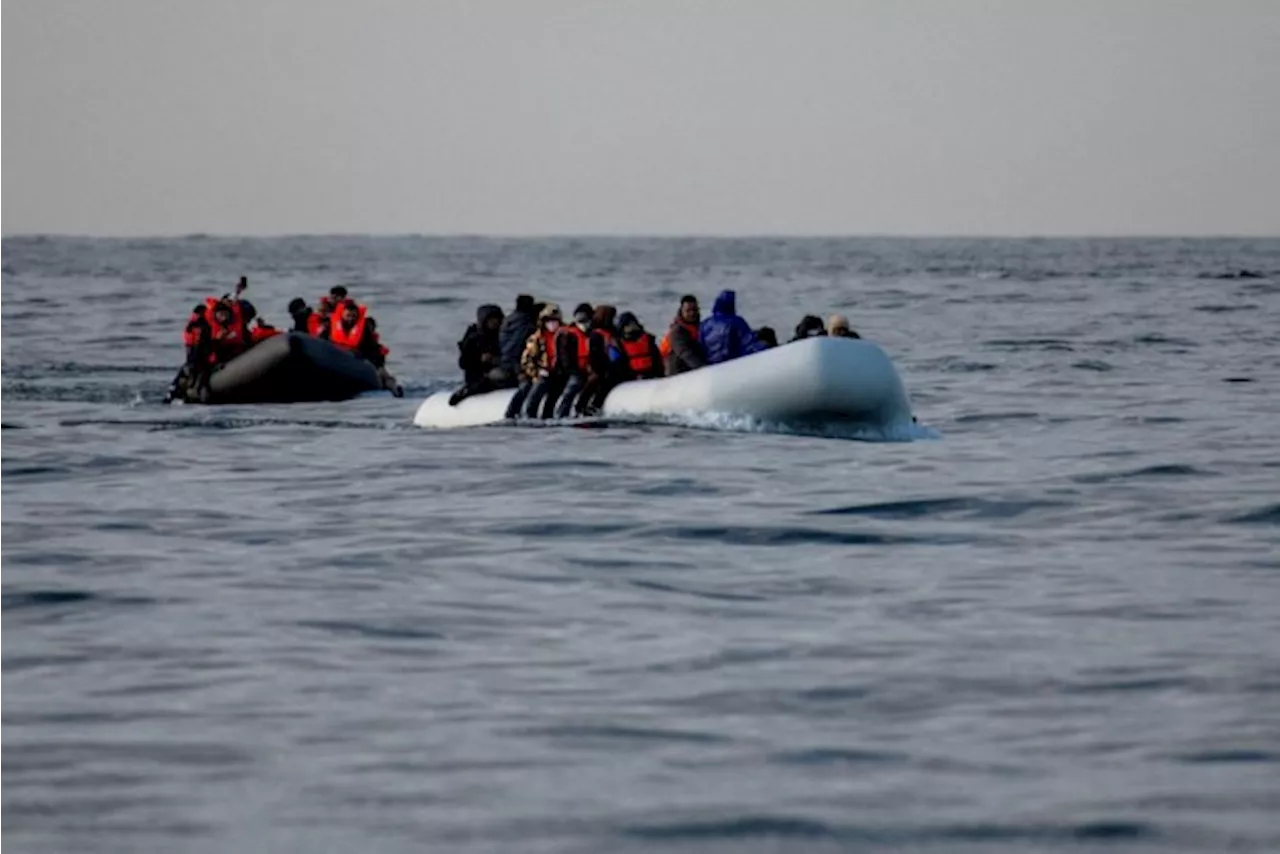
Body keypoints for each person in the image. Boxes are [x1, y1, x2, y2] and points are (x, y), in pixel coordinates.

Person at [326, 299, 402, 395]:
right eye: (348, 316)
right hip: (337, 358)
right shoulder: (331, 325)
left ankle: (395, 390)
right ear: (342, 315)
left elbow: (372, 347)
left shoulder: (364, 329)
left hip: (360, 358)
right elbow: (321, 341)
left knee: (383, 374)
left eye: (353, 316)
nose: (350, 319)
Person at [511, 303, 562, 418]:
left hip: (559, 373)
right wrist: (535, 373)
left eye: (555, 320)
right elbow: (527, 360)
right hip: (542, 373)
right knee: (535, 395)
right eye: (549, 320)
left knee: (554, 396)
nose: (552, 323)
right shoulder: (536, 339)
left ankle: (549, 415)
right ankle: (527, 415)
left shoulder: (564, 336)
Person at [449, 304, 505, 406]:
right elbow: (463, 363)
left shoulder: (503, 336)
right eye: (491, 319)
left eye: (497, 319)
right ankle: (464, 392)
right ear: (484, 321)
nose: (495, 322)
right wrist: (479, 359)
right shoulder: (473, 338)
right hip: (477, 377)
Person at [577, 304, 623, 415]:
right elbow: (594, 355)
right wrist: (601, 369)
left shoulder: (612, 333)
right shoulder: (596, 334)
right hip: (599, 369)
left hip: (611, 368)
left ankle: (594, 405)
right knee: (595, 382)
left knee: (605, 384)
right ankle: (583, 407)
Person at [550, 303, 593, 417]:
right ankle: (562, 413)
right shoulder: (568, 335)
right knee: (573, 386)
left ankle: (589, 409)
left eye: (585, 318)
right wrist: (574, 371)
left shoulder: (593, 334)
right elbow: (564, 358)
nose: (583, 322)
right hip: (573, 371)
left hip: (590, 370)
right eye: (580, 318)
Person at [700, 290, 765, 365]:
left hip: (710, 366)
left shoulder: (705, 324)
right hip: (732, 366)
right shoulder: (736, 322)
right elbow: (748, 343)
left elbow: (701, 347)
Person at [660, 295, 706, 376]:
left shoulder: (700, 327)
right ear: (682, 311)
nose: (692, 313)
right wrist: (703, 369)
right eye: (688, 311)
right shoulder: (676, 331)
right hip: (675, 375)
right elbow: (685, 353)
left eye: (694, 310)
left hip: (690, 371)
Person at [498, 294, 537, 381]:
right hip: (513, 366)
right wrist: (519, 371)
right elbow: (516, 348)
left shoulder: (509, 320)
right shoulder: (524, 324)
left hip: (505, 361)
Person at [617, 312, 663, 380]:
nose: (631, 327)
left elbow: (657, 360)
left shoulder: (648, 340)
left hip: (651, 377)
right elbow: (620, 366)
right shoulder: (619, 344)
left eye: (633, 323)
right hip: (630, 380)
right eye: (628, 325)